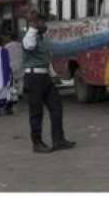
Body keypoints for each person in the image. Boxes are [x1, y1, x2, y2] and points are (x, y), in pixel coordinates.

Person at [22, 10, 74, 154]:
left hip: (45, 78)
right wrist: (32, 26)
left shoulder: (42, 39)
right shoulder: (28, 37)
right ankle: (37, 143)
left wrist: (53, 75)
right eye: (41, 22)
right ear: (34, 23)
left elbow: (46, 59)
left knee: (56, 107)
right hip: (33, 78)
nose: (44, 25)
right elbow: (30, 46)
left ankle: (58, 140)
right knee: (36, 112)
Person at [4, 29, 25, 112]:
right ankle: (19, 93)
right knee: (20, 80)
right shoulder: (20, 45)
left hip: (11, 66)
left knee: (12, 83)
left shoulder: (6, 46)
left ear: (9, 38)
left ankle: (13, 97)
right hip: (20, 65)